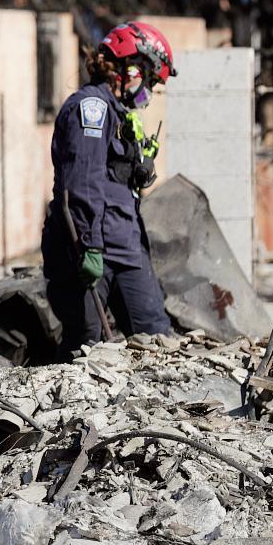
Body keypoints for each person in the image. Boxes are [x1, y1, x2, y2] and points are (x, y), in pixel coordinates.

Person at [41, 21, 176, 361]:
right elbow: (81, 184)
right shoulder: (91, 109)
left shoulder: (122, 116)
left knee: (156, 337)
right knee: (86, 343)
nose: (149, 91)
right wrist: (88, 247)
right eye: (150, 80)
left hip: (126, 248)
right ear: (128, 69)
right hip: (89, 251)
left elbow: (114, 183)